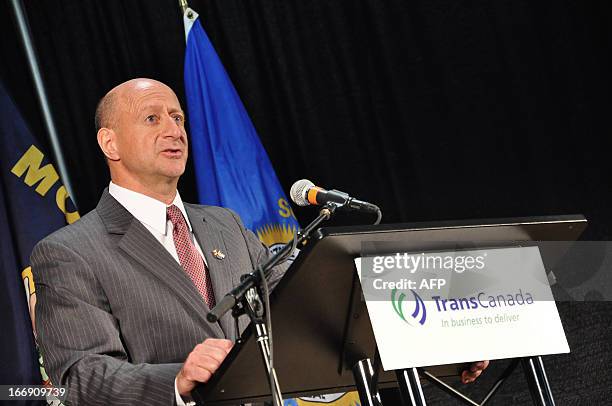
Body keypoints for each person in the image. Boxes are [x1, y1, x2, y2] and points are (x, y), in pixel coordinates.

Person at [30, 78, 487, 405]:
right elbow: (79, 379)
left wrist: (437, 348)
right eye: (152, 118)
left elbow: (318, 306)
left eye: (178, 117)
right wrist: (179, 379)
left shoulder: (225, 225)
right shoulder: (70, 252)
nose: (174, 130)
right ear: (109, 142)